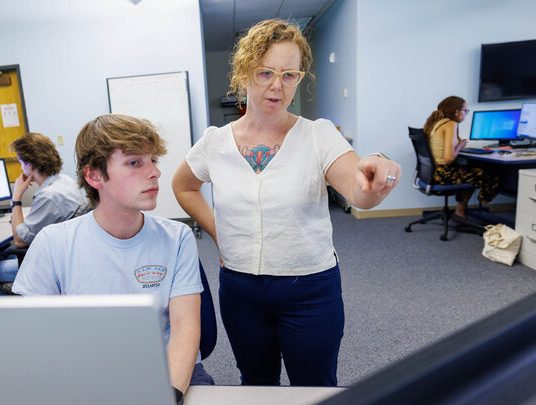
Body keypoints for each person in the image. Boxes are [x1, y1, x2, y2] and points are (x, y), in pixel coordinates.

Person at [172, 19, 401, 387]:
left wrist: (374, 178)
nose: (277, 85)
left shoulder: (318, 135)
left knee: (315, 386)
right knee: (257, 384)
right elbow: (183, 186)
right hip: (241, 290)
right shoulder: (214, 143)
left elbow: (358, 190)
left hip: (309, 289)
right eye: (265, 73)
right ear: (244, 73)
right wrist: (218, 233)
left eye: (289, 74)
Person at [12, 114, 213, 402]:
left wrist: (167, 396)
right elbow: (35, 340)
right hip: (89, 377)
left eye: (153, 160)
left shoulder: (177, 238)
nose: (155, 172)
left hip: (169, 373)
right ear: (94, 176)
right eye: (135, 162)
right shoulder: (53, 243)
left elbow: (185, 328)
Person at [0, 132, 84, 295]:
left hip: (45, 266)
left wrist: (16, 197)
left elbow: (20, 241)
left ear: (30, 165)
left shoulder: (48, 196)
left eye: (21, 163)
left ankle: (9, 319)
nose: (21, 168)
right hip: (62, 257)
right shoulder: (65, 181)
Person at [423, 96, 499, 217]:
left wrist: (457, 144)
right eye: (465, 110)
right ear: (456, 111)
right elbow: (449, 158)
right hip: (445, 174)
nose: (465, 114)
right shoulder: (450, 124)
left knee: (471, 171)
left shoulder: (436, 123)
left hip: (433, 173)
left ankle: (461, 209)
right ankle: (479, 204)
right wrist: (459, 147)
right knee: (487, 173)